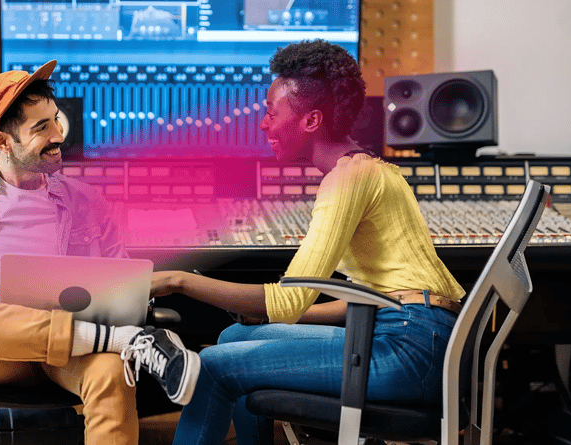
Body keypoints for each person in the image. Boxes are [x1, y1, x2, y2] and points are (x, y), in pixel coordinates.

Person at [150, 39, 466, 445]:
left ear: (311, 121)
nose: (263, 125)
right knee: (234, 340)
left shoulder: (346, 180)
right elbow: (373, 297)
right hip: (420, 334)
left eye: (270, 113)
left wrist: (177, 282)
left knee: (212, 364)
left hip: (408, 351)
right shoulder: (372, 170)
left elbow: (288, 302)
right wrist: (268, 320)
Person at [0, 60, 200, 445]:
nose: (59, 134)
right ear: (2, 141)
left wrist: (116, 294)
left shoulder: (87, 199)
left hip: (71, 349)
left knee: (110, 372)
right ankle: (121, 340)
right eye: (42, 128)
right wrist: (14, 298)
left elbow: (120, 280)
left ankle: (113, 343)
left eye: (55, 120)